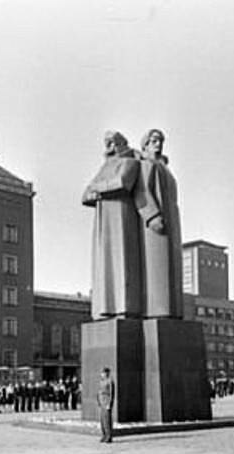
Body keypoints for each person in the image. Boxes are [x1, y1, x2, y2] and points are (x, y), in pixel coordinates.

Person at [83, 130, 143, 320]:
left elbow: (123, 182)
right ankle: (105, 309)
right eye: (106, 143)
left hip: (122, 217)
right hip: (103, 222)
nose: (109, 147)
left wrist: (97, 189)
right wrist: (99, 189)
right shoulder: (104, 168)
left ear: (123, 144)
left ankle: (124, 307)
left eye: (113, 142)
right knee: (104, 265)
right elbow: (85, 195)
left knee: (122, 260)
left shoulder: (130, 162)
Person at [133, 128, 184, 319]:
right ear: (145, 144)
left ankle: (172, 311)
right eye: (154, 140)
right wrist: (152, 215)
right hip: (155, 226)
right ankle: (157, 310)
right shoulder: (145, 165)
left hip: (171, 221)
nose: (158, 144)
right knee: (157, 266)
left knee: (171, 267)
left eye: (160, 140)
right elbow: (142, 191)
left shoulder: (164, 168)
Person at [97, 367, 115, 443]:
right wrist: (98, 401)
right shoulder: (101, 381)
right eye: (102, 373)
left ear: (107, 373)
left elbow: (111, 393)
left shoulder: (110, 381)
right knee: (102, 420)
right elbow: (99, 392)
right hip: (101, 403)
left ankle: (109, 436)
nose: (102, 374)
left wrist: (110, 403)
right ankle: (104, 435)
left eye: (103, 373)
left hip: (106, 402)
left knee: (107, 420)